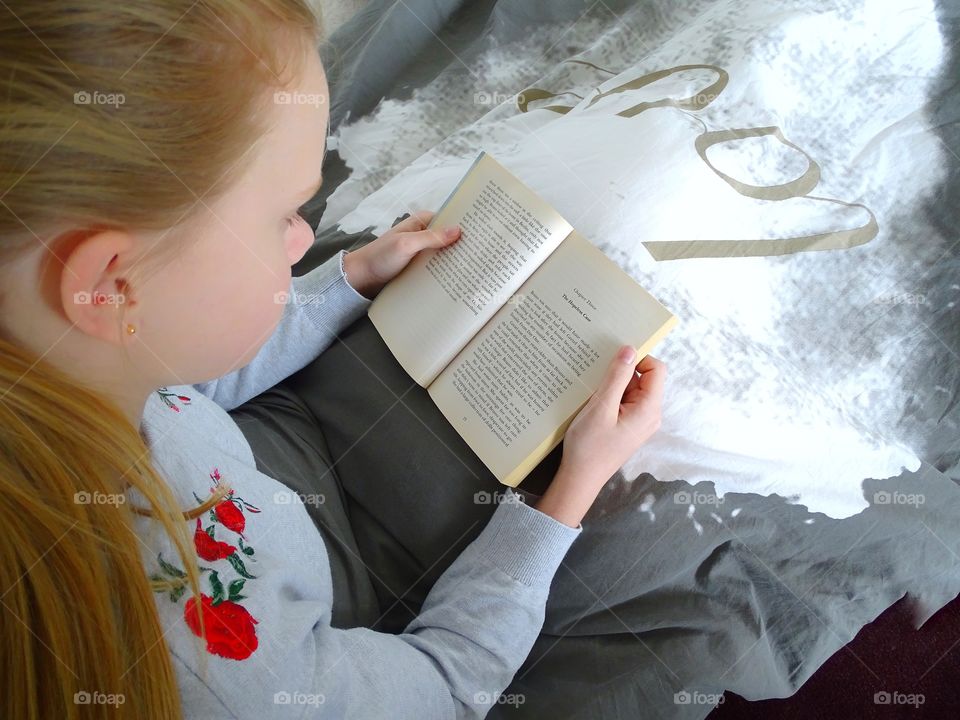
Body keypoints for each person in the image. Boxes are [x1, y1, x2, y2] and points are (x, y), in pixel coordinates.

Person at [0, 1, 666, 718]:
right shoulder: (222, 674)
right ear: (109, 285)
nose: (300, 241)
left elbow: (186, 388)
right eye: (285, 214)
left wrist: (347, 278)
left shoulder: (61, 364)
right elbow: (444, 687)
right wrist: (570, 490)